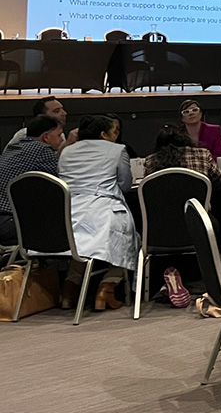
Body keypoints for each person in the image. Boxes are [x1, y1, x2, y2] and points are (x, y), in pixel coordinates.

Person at [56, 114, 137, 311]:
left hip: (70, 212)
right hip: (104, 209)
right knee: (129, 240)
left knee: (80, 247)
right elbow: (125, 184)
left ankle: (69, 289)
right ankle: (107, 287)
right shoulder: (118, 150)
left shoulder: (66, 151)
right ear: (103, 134)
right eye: (114, 132)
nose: (116, 136)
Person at [0, 113, 63, 244]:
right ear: (46, 137)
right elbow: (57, 189)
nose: (61, 140)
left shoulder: (13, 147)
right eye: (58, 135)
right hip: (9, 221)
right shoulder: (44, 150)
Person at [143, 123, 221, 192]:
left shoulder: (150, 160)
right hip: (196, 209)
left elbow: (147, 187)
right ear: (184, 137)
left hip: (161, 210)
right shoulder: (202, 154)